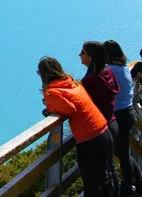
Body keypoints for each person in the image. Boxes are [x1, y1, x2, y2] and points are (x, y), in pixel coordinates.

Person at [38, 56, 113, 197]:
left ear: (43, 74)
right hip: (103, 131)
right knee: (104, 177)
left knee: (91, 183)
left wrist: (49, 106)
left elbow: (69, 108)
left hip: (90, 139)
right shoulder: (72, 83)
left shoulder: (52, 91)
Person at [104, 40, 142, 196]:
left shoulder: (109, 70)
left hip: (120, 115)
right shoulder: (123, 68)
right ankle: (139, 185)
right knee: (123, 154)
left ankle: (129, 188)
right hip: (128, 112)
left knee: (122, 155)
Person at [79, 41, 121, 196]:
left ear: (90, 57)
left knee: (96, 178)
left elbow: (81, 104)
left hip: (98, 130)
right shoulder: (108, 71)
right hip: (111, 123)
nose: (79, 55)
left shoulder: (91, 80)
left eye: (82, 52)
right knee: (109, 170)